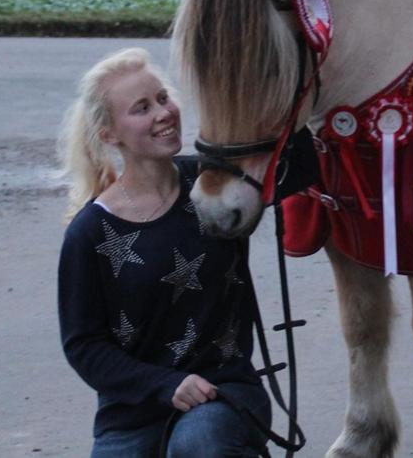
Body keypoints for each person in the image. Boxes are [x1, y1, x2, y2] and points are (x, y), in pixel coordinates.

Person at [56, 47, 270, 457]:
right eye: (142, 108)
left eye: (162, 98)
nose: (163, 113)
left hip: (224, 391)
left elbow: (300, 169)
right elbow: (84, 345)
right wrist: (165, 385)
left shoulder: (214, 186)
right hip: (133, 411)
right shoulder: (89, 233)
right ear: (109, 134)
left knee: (197, 444)